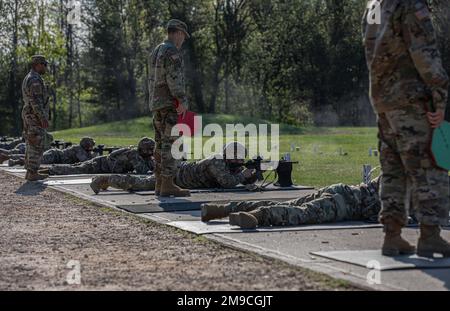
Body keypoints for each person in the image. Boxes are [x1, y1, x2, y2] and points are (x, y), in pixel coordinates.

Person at [363, 0, 450, 257]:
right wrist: (441, 95)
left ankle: (392, 235)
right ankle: (430, 234)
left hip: (383, 100)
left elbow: (372, 53)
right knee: (428, 166)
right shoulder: (410, 3)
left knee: (393, 170)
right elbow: (424, 53)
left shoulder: (374, 6)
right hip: (411, 98)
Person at [201, 178, 381, 229]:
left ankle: (219, 210)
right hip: (348, 203)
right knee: (301, 213)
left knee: (291, 204)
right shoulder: (404, 183)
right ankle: (257, 216)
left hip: (343, 190)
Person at [90, 142, 257, 195]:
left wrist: (250, 177)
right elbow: (227, 183)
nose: (241, 160)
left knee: (144, 182)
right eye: (239, 157)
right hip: (177, 175)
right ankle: (104, 179)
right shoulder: (217, 161)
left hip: (183, 176)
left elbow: (231, 179)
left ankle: (107, 180)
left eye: (243, 157)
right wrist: (243, 176)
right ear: (229, 155)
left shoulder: (227, 163)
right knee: (142, 183)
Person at [149, 19, 191, 197]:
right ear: (178, 33)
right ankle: (167, 183)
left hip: (157, 104)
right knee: (172, 144)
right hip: (169, 104)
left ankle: (159, 183)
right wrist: (182, 100)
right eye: (183, 36)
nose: (183, 41)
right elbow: (174, 79)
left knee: (159, 144)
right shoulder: (172, 51)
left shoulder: (156, 50)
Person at [44, 138, 155, 175]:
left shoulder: (146, 157)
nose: (150, 152)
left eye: (152, 149)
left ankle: (49, 169)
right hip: (100, 165)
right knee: (76, 170)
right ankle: (51, 170)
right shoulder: (134, 154)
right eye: (148, 149)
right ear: (141, 149)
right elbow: (143, 171)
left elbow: (152, 168)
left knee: (76, 167)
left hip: (102, 164)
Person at [22, 55, 53, 181]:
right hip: (34, 117)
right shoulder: (34, 79)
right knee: (36, 143)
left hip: (30, 115)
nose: (45, 67)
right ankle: (32, 172)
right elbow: (35, 101)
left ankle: (30, 170)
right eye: (44, 64)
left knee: (31, 142)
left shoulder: (30, 77)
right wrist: (42, 117)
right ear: (37, 64)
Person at [7, 137, 96, 166]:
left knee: (36, 158)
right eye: (91, 145)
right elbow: (85, 161)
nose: (92, 147)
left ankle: (12, 159)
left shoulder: (82, 150)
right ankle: (15, 161)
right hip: (55, 155)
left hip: (55, 156)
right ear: (86, 145)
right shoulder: (79, 149)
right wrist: (93, 156)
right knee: (37, 160)